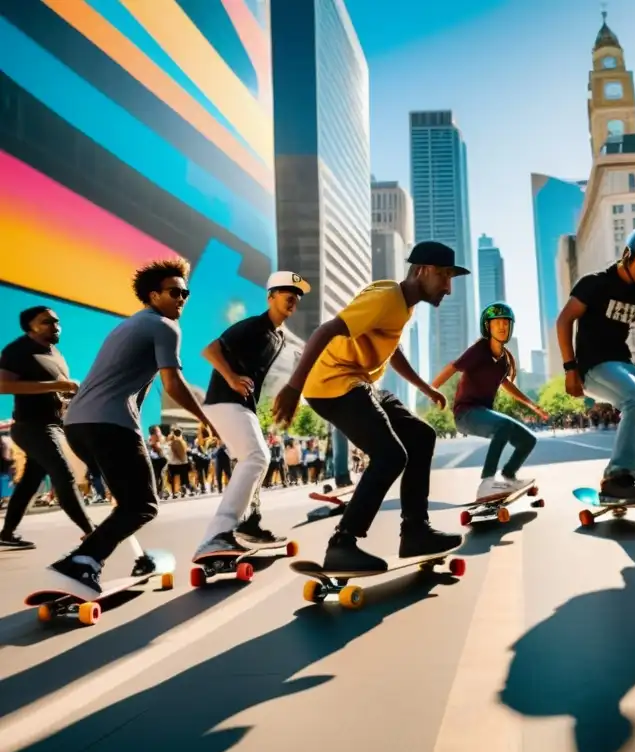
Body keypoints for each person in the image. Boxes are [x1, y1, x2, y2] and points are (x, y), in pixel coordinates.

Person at [272, 241, 466, 572]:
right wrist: (293, 387)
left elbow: (393, 349)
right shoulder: (386, 299)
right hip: (332, 383)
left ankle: (415, 532)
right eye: (444, 277)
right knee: (391, 455)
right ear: (421, 271)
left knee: (421, 436)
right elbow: (326, 330)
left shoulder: (404, 304)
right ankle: (342, 544)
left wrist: (424, 388)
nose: (448, 288)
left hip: (358, 382)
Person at [49, 258, 219, 595]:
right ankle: (82, 562)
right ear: (154, 295)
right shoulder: (164, 326)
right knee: (143, 504)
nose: (181, 299)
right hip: (108, 424)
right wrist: (208, 419)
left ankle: (139, 558)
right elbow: (173, 383)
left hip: (79, 425)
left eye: (186, 293)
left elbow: (137, 391)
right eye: (174, 292)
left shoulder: (129, 326)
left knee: (126, 500)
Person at [555, 226, 635, 503]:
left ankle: (619, 478)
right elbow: (564, 320)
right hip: (593, 367)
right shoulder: (594, 283)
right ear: (627, 255)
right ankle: (618, 474)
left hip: (622, 364)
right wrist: (570, 369)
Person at [192, 271, 310, 559]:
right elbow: (210, 350)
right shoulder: (254, 326)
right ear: (270, 297)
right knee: (257, 457)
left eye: (297, 296)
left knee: (256, 460)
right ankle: (217, 535)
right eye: (286, 293)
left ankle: (249, 523)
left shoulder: (278, 337)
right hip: (225, 400)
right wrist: (231, 377)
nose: (293, 298)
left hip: (242, 405)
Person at [432, 302, 546, 501]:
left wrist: (532, 405)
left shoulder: (503, 360)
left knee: (528, 439)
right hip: (465, 414)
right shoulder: (479, 350)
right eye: (497, 323)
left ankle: (509, 476)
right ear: (488, 327)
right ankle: (487, 482)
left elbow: (506, 385)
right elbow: (453, 367)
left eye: (506, 323)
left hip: (483, 413)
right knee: (502, 425)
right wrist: (431, 389)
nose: (502, 327)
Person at [0, 306, 94, 548]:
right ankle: (90, 532)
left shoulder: (55, 353)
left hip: (52, 424)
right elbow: (4, 386)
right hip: (31, 426)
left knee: (30, 482)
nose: (55, 326)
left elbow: (57, 390)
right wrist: (56, 385)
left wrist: (67, 398)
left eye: (57, 321)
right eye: (47, 322)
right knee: (63, 473)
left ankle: (6, 534)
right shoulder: (17, 350)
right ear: (30, 326)